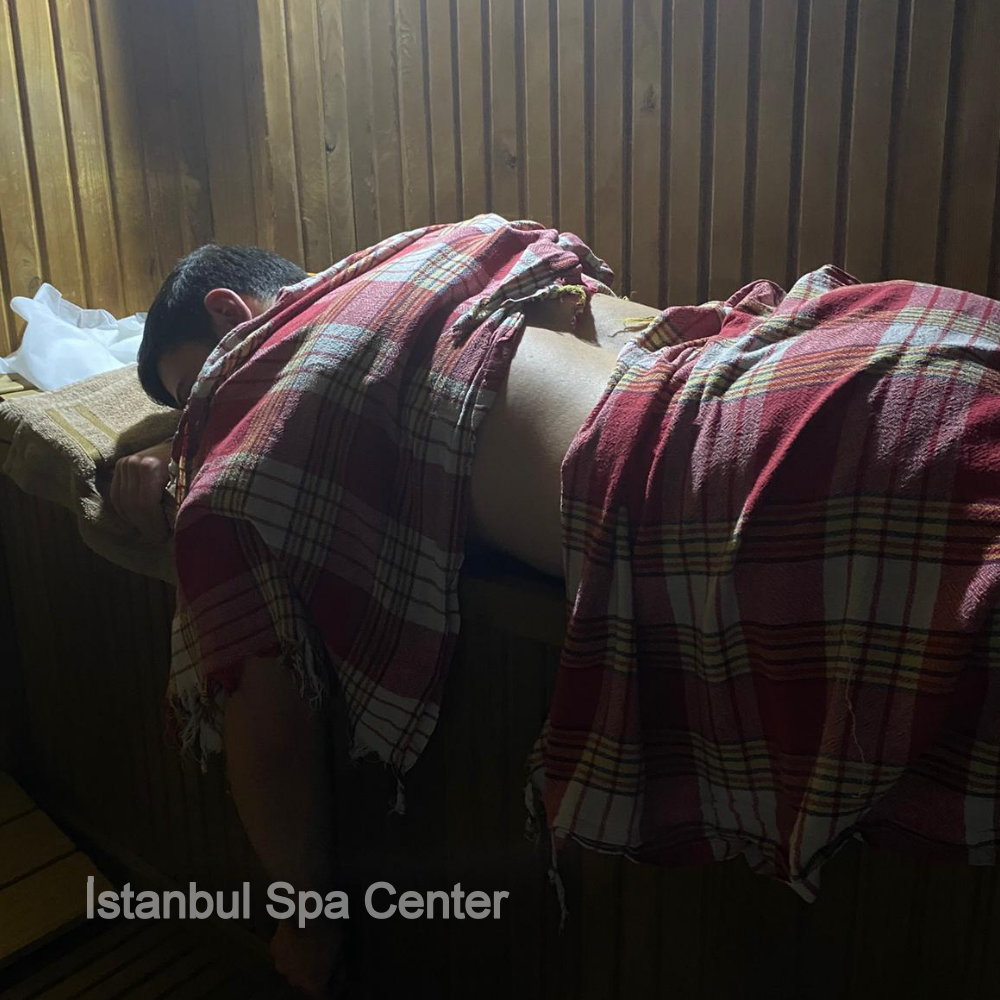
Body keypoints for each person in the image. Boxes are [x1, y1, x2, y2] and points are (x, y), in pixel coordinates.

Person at [114, 217, 1000, 997]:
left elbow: (268, 723)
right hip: (844, 345)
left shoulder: (254, 390)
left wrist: (305, 919)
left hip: (721, 467)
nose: (199, 419)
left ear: (233, 317)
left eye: (192, 395)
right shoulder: (440, 250)